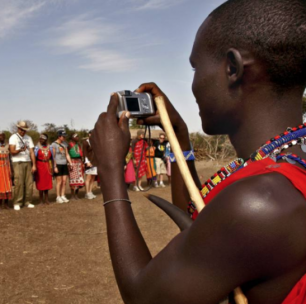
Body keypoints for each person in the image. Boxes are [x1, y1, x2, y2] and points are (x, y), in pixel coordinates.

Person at [91, 0, 306, 303]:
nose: (192, 83)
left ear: (232, 68)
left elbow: (144, 297)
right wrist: (178, 136)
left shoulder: (260, 200)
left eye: (195, 67)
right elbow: (202, 221)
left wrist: (111, 169)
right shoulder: (289, 166)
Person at [9, 121, 37, 211]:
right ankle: (17, 202)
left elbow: (32, 152)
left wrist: (34, 165)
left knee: (29, 183)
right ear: (18, 129)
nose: (23, 131)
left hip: (27, 161)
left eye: (24, 130)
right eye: (21, 129)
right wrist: (20, 150)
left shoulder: (29, 138)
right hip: (18, 162)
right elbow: (12, 152)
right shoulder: (13, 137)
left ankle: (28, 201)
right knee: (19, 183)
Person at [51, 130, 72, 203]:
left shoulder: (65, 144)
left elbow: (67, 154)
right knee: (59, 181)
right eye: (63, 136)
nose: (64, 138)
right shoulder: (54, 144)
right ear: (59, 136)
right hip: (58, 164)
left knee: (64, 181)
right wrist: (54, 166)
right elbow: (53, 156)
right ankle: (58, 196)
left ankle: (63, 195)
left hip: (64, 164)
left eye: (65, 136)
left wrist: (70, 163)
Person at [34, 133, 53, 205]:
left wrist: (52, 167)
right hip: (40, 166)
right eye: (40, 139)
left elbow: (52, 158)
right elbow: (34, 158)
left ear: (46, 140)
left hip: (48, 166)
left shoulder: (50, 147)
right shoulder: (36, 148)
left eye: (43, 139)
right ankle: (40, 200)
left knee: (47, 183)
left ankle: (46, 199)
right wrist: (34, 166)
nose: (41, 140)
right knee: (40, 183)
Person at [68, 134, 85, 200]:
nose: (77, 138)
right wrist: (69, 163)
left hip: (79, 162)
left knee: (79, 179)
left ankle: (76, 194)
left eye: (78, 136)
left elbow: (81, 154)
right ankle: (72, 195)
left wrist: (82, 162)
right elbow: (68, 154)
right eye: (76, 137)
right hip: (72, 162)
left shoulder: (78, 145)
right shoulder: (69, 145)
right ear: (72, 138)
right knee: (73, 179)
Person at [82, 131, 97, 199]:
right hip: (89, 161)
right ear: (89, 134)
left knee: (93, 178)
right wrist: (87, 161)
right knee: (88, 177)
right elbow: (84, 152)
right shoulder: (85, 142)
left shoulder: (95, 142)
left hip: (95, 161)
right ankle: (87, 193)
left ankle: (90, 192)